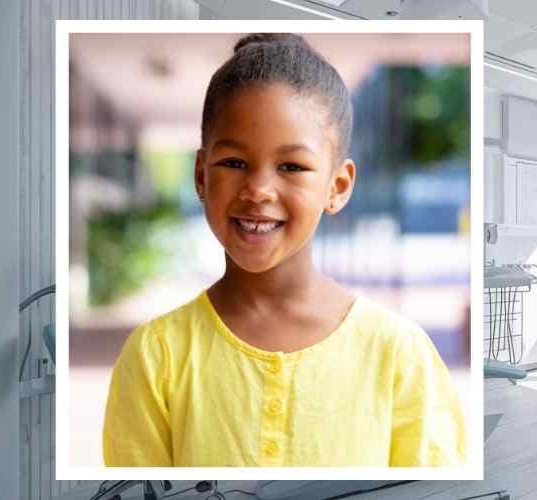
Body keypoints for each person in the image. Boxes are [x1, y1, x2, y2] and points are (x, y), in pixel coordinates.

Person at [102, 33, 466, 467]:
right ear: (201, 176)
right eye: (234, 163)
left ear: (338, 186)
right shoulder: (155, 354)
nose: (258, 190)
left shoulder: (399, 354)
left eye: (292, 166)